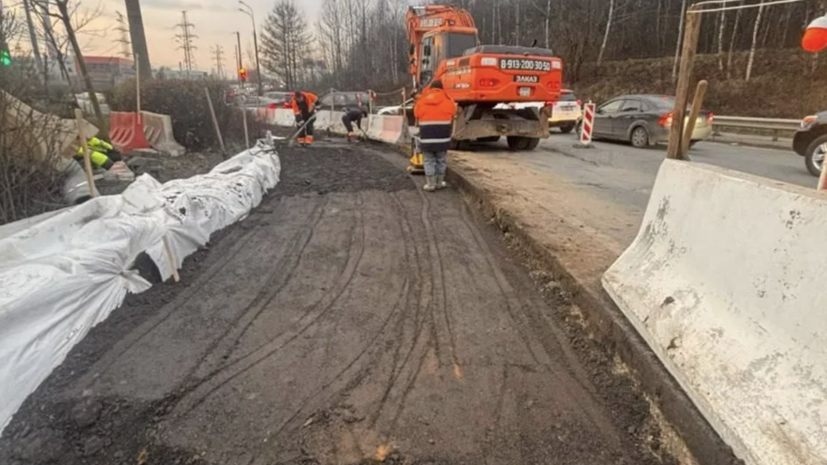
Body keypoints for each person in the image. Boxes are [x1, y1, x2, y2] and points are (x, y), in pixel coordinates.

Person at [413, 80, 456, 191]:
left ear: (430, 89)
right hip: (443, 138)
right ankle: (439, 182)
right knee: (441, 160)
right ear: (442, 89)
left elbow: (416, 114)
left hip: (427, 137)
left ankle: (430, 184)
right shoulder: (448, 100)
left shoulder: (422, 101)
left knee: (428, 160)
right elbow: (453, 113)